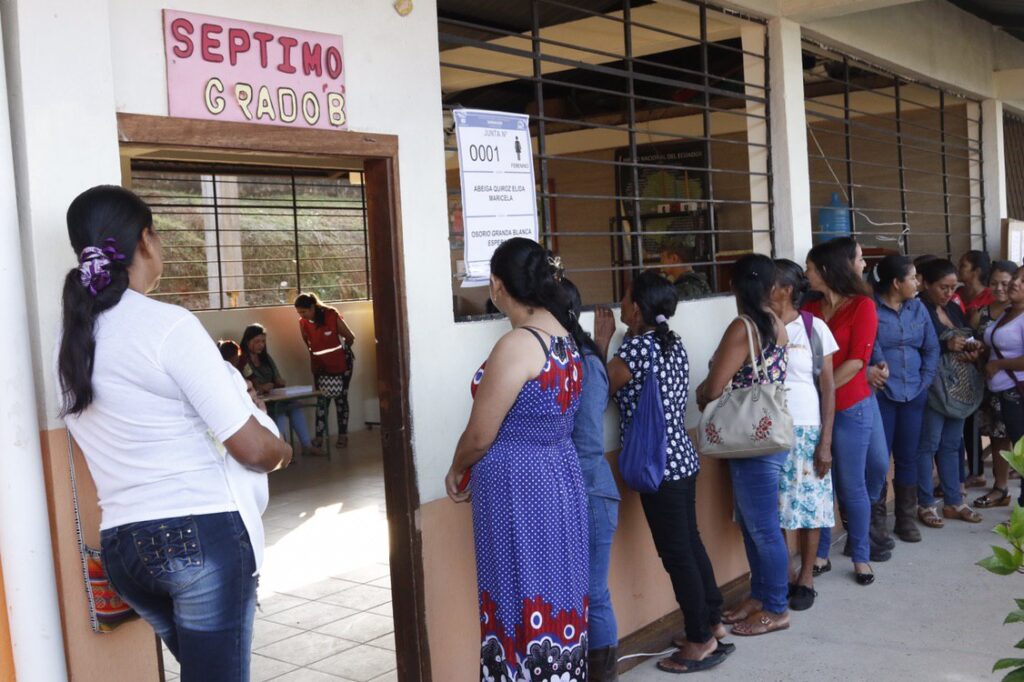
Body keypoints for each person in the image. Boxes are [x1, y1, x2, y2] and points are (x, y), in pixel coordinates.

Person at [56, 185, 292, 681]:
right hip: (198, 536)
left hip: (123, 550)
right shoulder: (167, 325)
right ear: (145, 241)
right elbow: (250, 447)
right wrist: (283, 450)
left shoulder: (74, 339)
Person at [444, 239, 589, 682]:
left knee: (519, 592)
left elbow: (481, 434)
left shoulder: (518, 344)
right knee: (556, 589)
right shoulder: (566, 337)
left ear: (496, 285)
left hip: (519, 489)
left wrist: (456, 466)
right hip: (559, 476)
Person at [597, 271, 729, 673]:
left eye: (624, 297)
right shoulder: (671, 343)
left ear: (637, 307)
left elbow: (599, 392)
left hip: (659, 468)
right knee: (690, 544)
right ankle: (713, 621)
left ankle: (699, 639)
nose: (620, 304)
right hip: (682, 460)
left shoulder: (635, 350)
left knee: (677, 555)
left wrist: (601, 344)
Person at [697, 254, 791, 633]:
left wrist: (704, 391)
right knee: (756, 526)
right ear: (769, 288)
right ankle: (761, 594)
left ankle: (777, 607)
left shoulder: (743, 327)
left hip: (750, 441)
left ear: (734, 286)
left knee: (763, 528)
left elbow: (715, 389)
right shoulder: (776, 324)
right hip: (765, 436)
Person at [804, 236, 888, 584]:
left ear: (826, 270)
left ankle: (860, 556)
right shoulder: (808, 309)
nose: (806, 275)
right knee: (822, 484)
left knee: (851, 484)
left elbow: (857, 362)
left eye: (810, 269)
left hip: (850, 405)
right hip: (817, 406)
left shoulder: (862, 306)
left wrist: (822, 394)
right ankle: (821, 553)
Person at [561, 280, 621, 681]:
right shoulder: (571, 357)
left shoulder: (581, 361)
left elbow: (585, 442)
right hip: (576, 491)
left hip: (589, 491)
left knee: (593, 594)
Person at [770, 259, 837, 611]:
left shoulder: (815, 328)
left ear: (786, 290)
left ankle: (807, 576)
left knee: (811, 507)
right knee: (777, 509)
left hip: (808, 429)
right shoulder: (758, 327)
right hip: (770, 432)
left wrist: (825, 442)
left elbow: (827, 387)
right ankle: (783, 575)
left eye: (770, 283)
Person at [868, 256, 940, 543]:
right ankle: (876, 524)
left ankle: (906, 519)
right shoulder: (871, 308)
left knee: (908, 457)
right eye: (912, 278)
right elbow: (868, 346)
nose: (918, 283)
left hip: (914, 393)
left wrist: (925, 380)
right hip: (882, 394)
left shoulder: (918, 307)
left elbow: (931, 347)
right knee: (877, 461)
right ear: (896, 283)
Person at [915, 258, 984, 527]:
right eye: (943, 287)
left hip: (958, 387)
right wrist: (946, 345)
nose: (949, 293)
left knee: (952, 444)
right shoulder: (918, 308)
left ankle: (954, 501)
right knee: (928, 445)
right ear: (925, 283)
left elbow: (966, 334)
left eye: (953, 287)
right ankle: (926, 504)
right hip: (933, 386)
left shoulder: (953, 308)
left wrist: (972, 347)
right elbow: (917, 344)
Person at [973, 261, 1019, 507]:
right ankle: (1000, 488)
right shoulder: (986, 312)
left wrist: (999, 365)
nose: (1000, 288)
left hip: (1016, 386)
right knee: (998, 436)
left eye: (1006, 282)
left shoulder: (1018, 311)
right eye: (994, 283)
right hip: (992, 385)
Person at [239, 323, 323, 457]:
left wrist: (278, 382)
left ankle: (306, 445)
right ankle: (278, 449)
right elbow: (250, 383)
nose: (261, 345)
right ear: (248, 341)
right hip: (258, 401)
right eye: (257, 341)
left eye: (263, 342)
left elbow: (277, 377)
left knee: (295, 406)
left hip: (273, 397)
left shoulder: (266, 358)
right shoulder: (242, 359)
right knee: (281, 412)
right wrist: (262, 387)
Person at [984, 265, 1024, 508]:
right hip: (1001, 392)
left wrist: (999, 364)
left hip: (1016, 393)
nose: (1015, 283)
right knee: (1004, 442)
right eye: (1017, 278)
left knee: (1021, 453)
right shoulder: (1007, 311)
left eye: (1023, 281)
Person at [295, 293, 356, 449]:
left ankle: (343, 436)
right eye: (299, 313)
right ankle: (319, 437)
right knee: (322, 400)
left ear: (313, 307)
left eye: (304, 311)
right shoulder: (303, 323)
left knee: (341, 398)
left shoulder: (331, 315)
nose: (302, 315)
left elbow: (350, 337)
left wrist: (340, 353)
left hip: (342, 365)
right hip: (321, 367)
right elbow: (308, 345)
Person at [659, 234, 711, 301]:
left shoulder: (681, 290)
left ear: (674, 258)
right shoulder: (701, 282)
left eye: (663, 257)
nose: (661, 262)